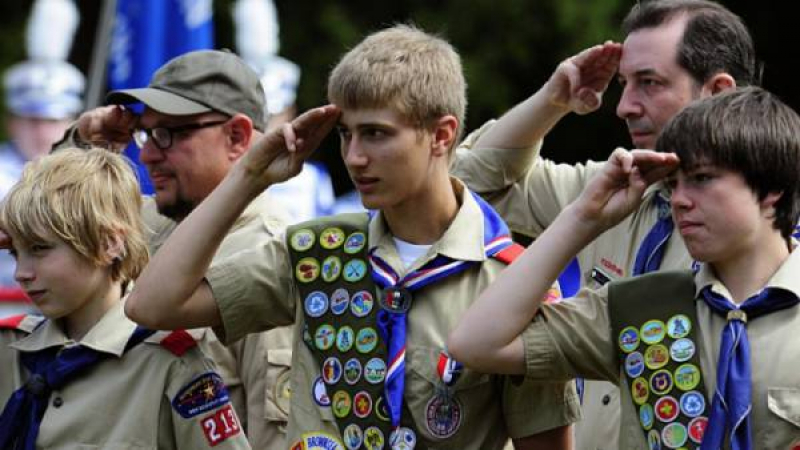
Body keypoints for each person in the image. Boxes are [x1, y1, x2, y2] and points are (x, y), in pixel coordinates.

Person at [124, 25, 580, 449]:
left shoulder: (514, 284)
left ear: (442, 135)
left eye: (376, 134)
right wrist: (249, 176)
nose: (355, 157)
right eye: (345, 135)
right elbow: (152, 306)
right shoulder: (315, 253)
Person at [450, 1, 758, 448]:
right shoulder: (613, 189)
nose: (624, 107)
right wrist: (551, 101)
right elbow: (471, 186)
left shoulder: (775, 236)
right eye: (623, 84)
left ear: (717, 90)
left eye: (649, 83)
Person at [55, 49, 294, 449]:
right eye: (145, 133)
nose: (146, 154)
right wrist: (82, 145)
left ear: (236, 137)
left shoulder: (270, 257)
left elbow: (275, 437)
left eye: (168, 134)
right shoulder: (155, 222)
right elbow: (46, 229)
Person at [0, 148, 251, 449]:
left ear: (109, 244)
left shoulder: (170, 365)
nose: (21, 273)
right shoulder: (9, 350)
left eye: (39, 249)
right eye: (16, 253)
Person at [0, 59, 85, 315]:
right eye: (32, 120)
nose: (42, 131)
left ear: (72, 122)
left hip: (73, 312)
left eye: (52, 120)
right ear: (12, 122)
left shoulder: (92, 174)